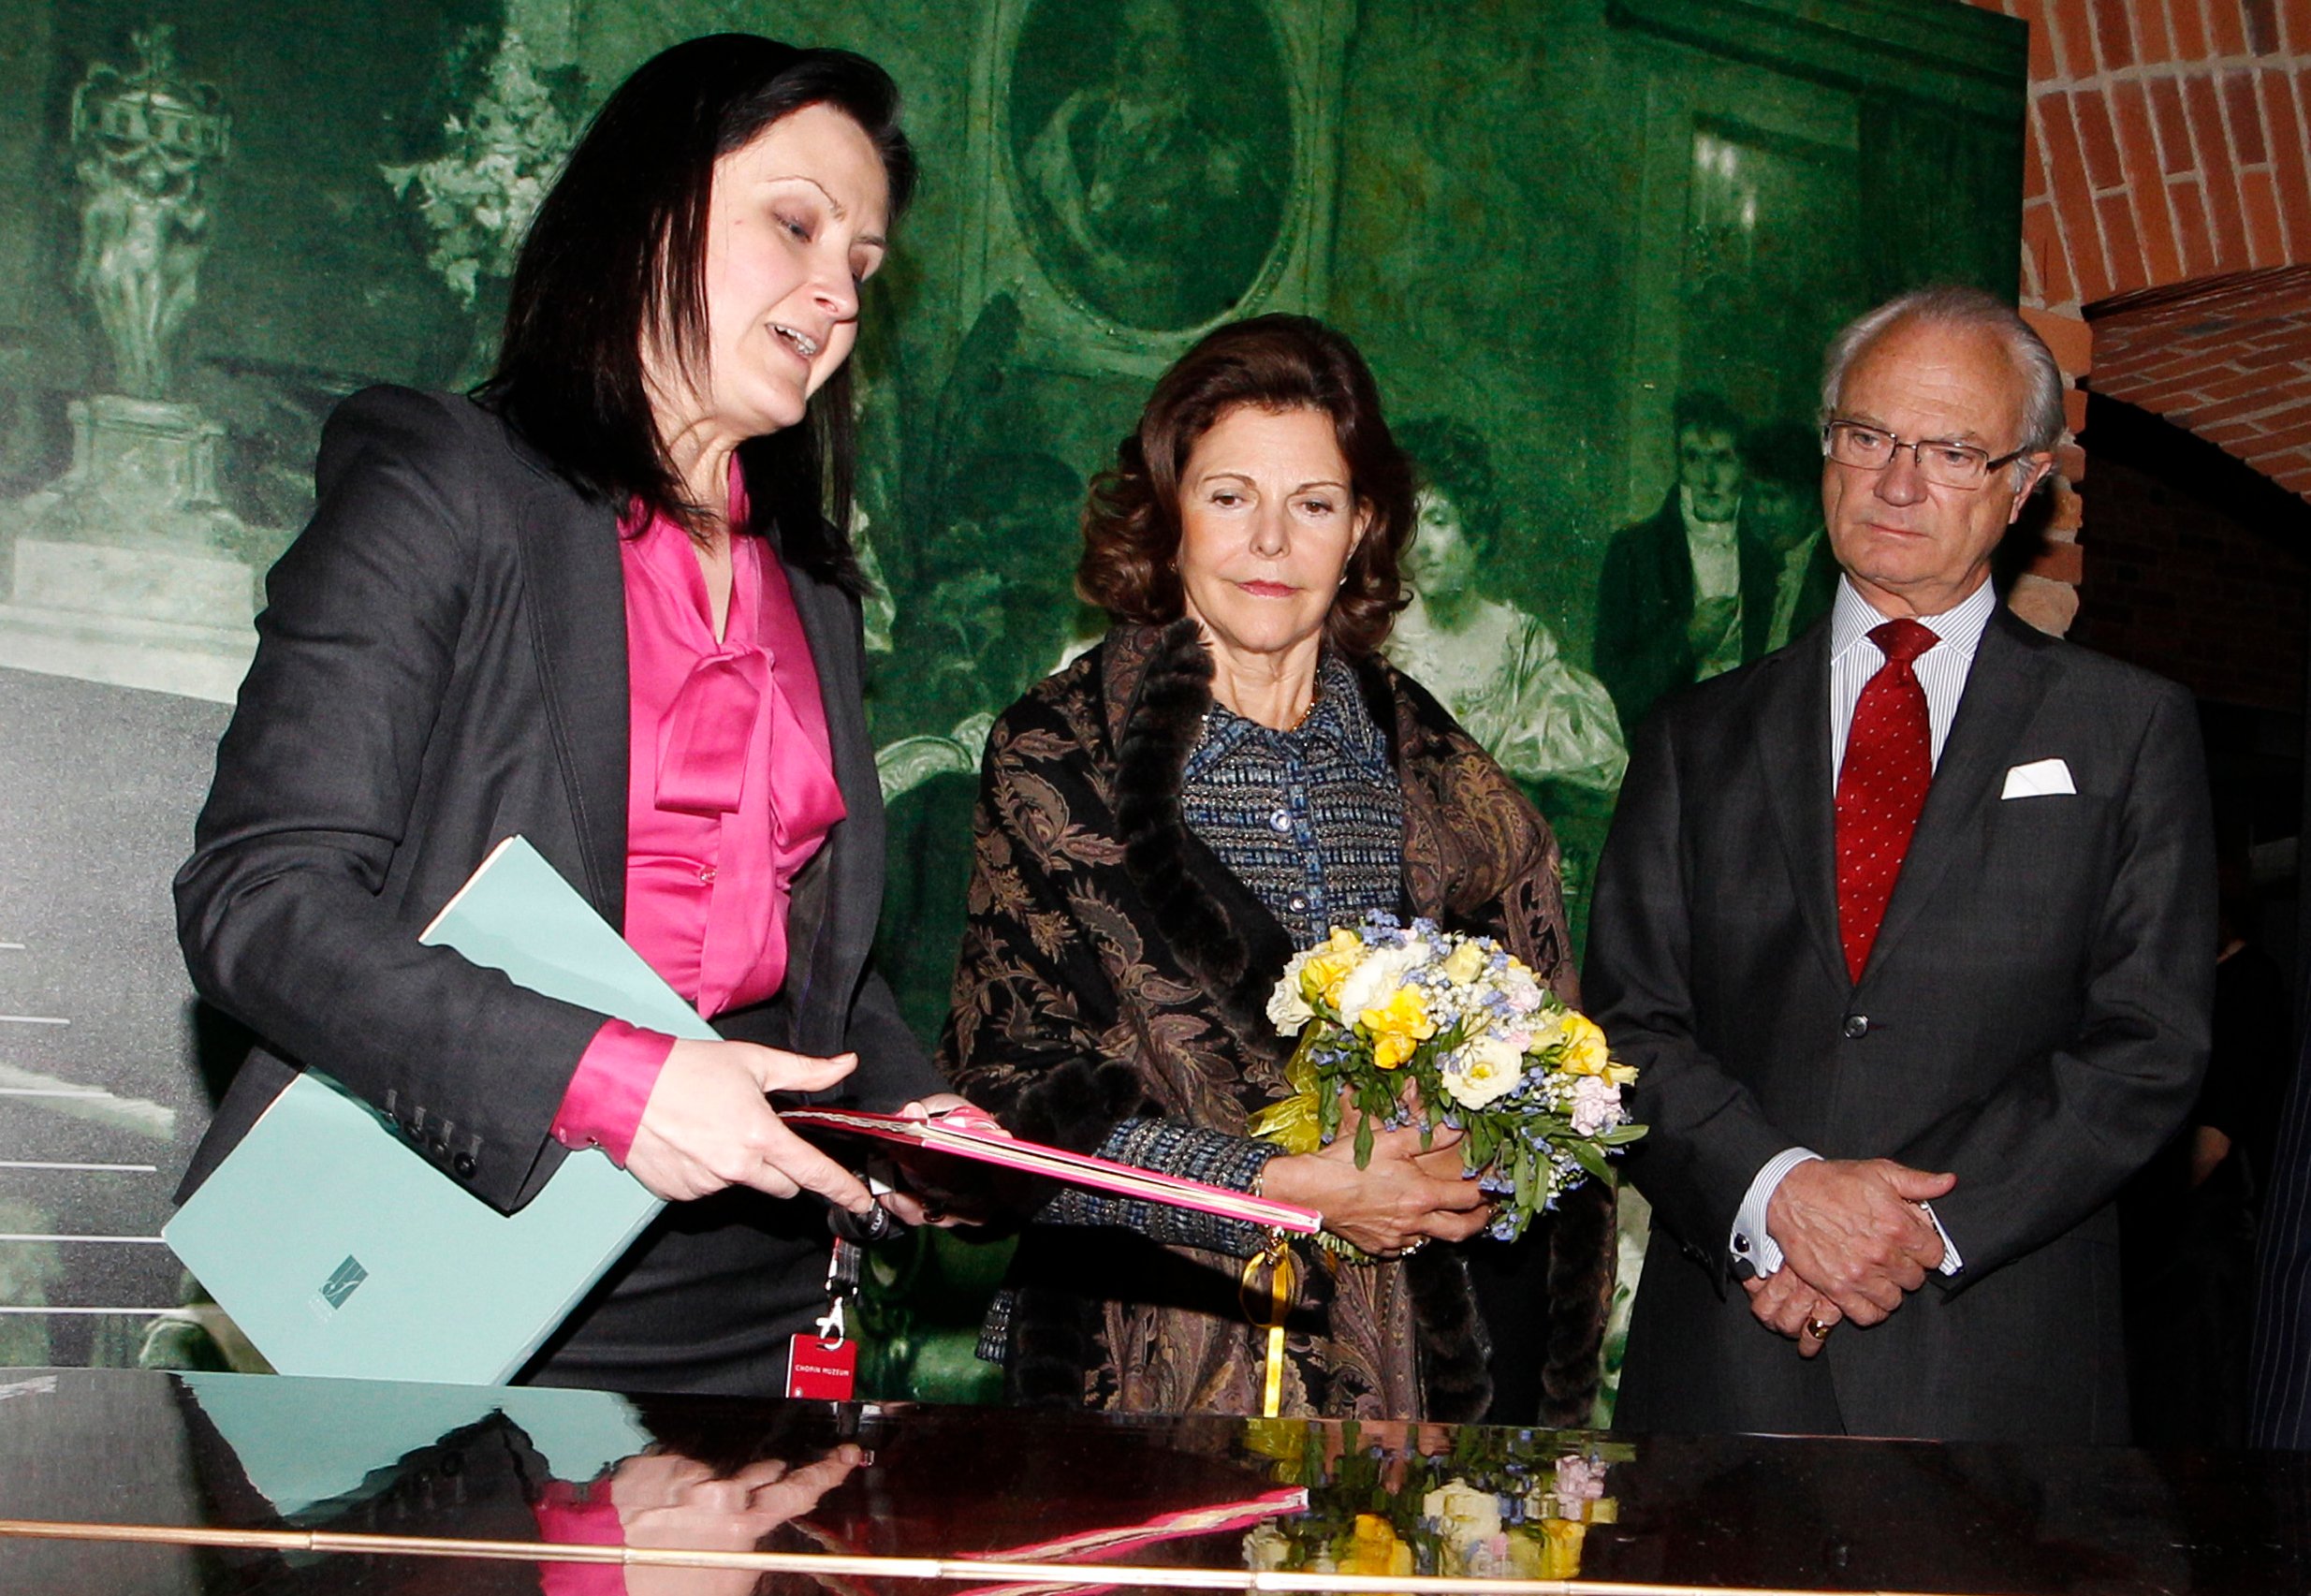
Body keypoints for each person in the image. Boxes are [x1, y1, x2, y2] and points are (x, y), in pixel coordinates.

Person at [171, 36, 959, 1397]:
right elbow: (261, 897)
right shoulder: (446, 484)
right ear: (647, 214)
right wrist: (611, 1075)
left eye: (864, 266)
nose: (835, 292)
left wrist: (905, 1112)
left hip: (760, 1287)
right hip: (455, 1263)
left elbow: (795, 953)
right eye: (795, 225)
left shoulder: (814, 589)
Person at [939, 315, 1613, 1425]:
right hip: (1136, 1351)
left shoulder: (1439, 765)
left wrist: (1464, 1167)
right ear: (1167, 517)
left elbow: (1560, 1073)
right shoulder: (1057, 758)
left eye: (1312, 504)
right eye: (1229, 496)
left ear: (1362, 528)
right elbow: (1002, 1107)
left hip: (1406, 1367)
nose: (1270, 543)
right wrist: (1276, 1187)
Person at [1587, 285, 2216, 1444]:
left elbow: (2149, 1042)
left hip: (2000, 1378)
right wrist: (1778, 1192)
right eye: (1868, 436)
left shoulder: (2127, 731)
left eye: (1952, 450)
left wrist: (1901, 1228)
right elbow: (1625, 1026)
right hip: (1726, 1368)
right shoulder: (1694, 736)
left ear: (2027, 483)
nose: (1897, 480)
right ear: (1828, 448)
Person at [1387, 417, 1625, 796]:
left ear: (1476, 530)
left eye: (1438, 520)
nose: (1421, 545)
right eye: (1411, 522)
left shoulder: (1523, 646)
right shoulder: (1382, 641)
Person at [1593, 391, 1792, 732]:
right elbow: (1612, 689)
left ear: (1743, 466)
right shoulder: (1634, 552)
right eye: (1693, 459)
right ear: (1679, 465)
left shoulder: (1770, 556)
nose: (1708, 478)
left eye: (1722, 459)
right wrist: (1687, 642)